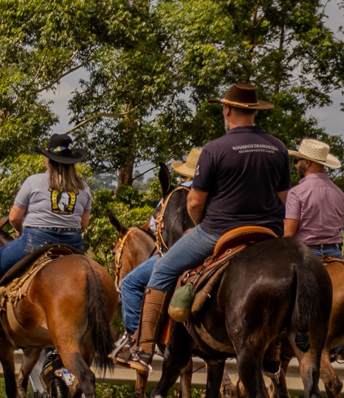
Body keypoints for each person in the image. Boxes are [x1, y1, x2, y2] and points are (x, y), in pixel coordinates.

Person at [123, 84, 292, 372]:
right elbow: (283, 198)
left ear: (227, 110)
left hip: (219, 231)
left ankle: (143, 348)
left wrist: (200, 226)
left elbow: (194, 202)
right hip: (268, 236)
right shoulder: (278, 147)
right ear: (254, 112)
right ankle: (274, 350)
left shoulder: (214, 149)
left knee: (162, 269)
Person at [111, 148, 199, 360]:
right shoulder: (219, 190)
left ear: (187, 173)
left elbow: (153, 226)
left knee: (130, 283)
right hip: (212, 250)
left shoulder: (176, 192)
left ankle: (136, 340)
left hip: (177, 253)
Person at [0, 135, 93, 280]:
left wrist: (20, 230)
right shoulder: (84, 187)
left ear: (48, 160)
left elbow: (14, 217)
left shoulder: (33, 181)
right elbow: (84, 224)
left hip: (35, 240)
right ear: (72, 162)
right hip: (73, 243)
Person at [285, 138, 344, 258]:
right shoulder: (340, 194)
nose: (296, 165)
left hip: (306, 252)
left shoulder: (296, 193)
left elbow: (289, 232)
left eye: (296, 160)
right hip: (335, 252)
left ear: (307, 162)